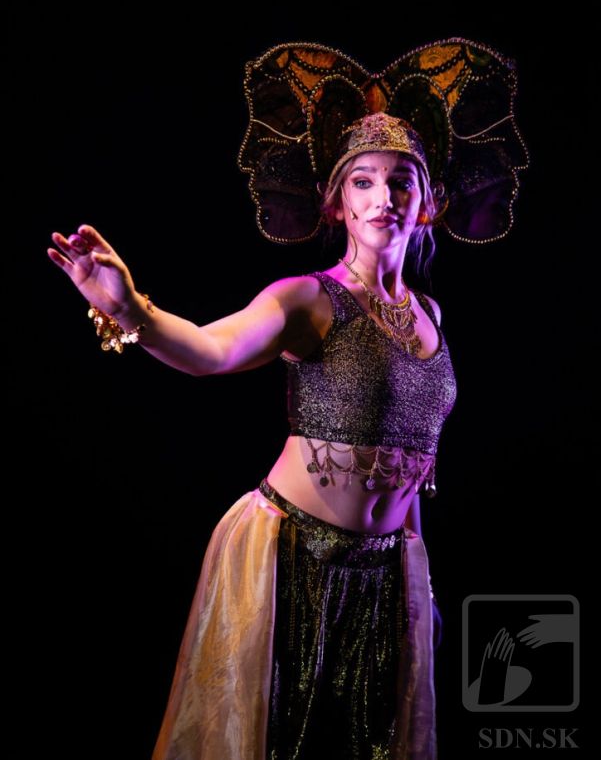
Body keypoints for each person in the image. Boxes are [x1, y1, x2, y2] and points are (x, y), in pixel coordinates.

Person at [47, 39, 529, 760]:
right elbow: (210, 350)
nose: (384, 198)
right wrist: (131, 309)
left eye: (401, 182)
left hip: (383, 575)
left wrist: (415, 582)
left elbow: (412, 461)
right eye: (363, 182)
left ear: (428, 203)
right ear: (338, 203)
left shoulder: (431, 317)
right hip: (291, 561)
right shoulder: (308, 300)